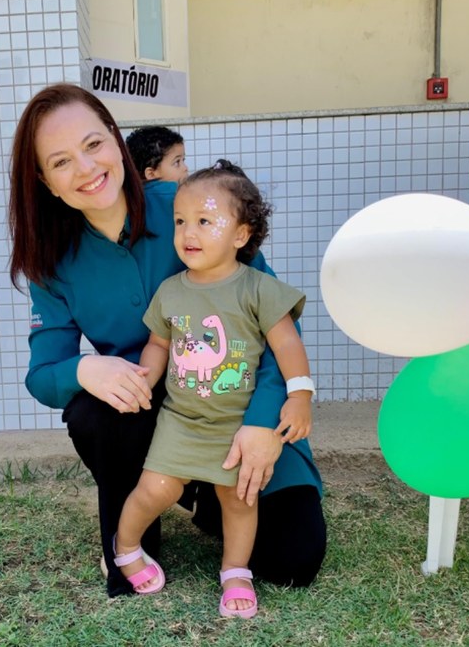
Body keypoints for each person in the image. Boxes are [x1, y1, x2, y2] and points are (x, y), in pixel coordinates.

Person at [8, 83, 325, 598]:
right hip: (162, 417)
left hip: (239, 406)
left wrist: (265, 424)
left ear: (115, 139)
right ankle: (133, 537)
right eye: (61, 162)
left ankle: (204, 495)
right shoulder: (52, 261)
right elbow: (43, 375)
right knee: (93, 411)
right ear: (45, 181)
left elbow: (272, 325)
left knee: (293, 560)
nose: (87, 169)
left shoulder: (187, 206)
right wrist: (87, 370)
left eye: (93, 145)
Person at [113, 160, 314, 618]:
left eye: (205, 221)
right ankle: (125, 546)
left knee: (239, 499)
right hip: (181, 421)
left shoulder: (259, 289)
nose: (189, 232)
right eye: (181, 221)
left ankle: (235, 570)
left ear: (241, 235)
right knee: (154, 490)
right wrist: (143, 379)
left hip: (236, 424)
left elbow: (286, 344)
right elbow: (158, 343)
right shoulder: (171, 290)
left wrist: (300, 394)